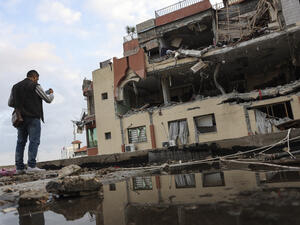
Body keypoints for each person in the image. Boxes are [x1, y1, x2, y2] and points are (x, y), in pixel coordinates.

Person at [8, 70, 54, 174]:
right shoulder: (35, 85)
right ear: (34, 77)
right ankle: (32, 166)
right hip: (33, 117)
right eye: (37, 78)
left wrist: (21, 105)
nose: (37, 80)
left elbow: (10, 103)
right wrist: (51, 94)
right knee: (34, 141)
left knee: (20, 142)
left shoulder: (15, 87)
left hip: (20, 118)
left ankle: (19, 168)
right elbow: (47, 99)